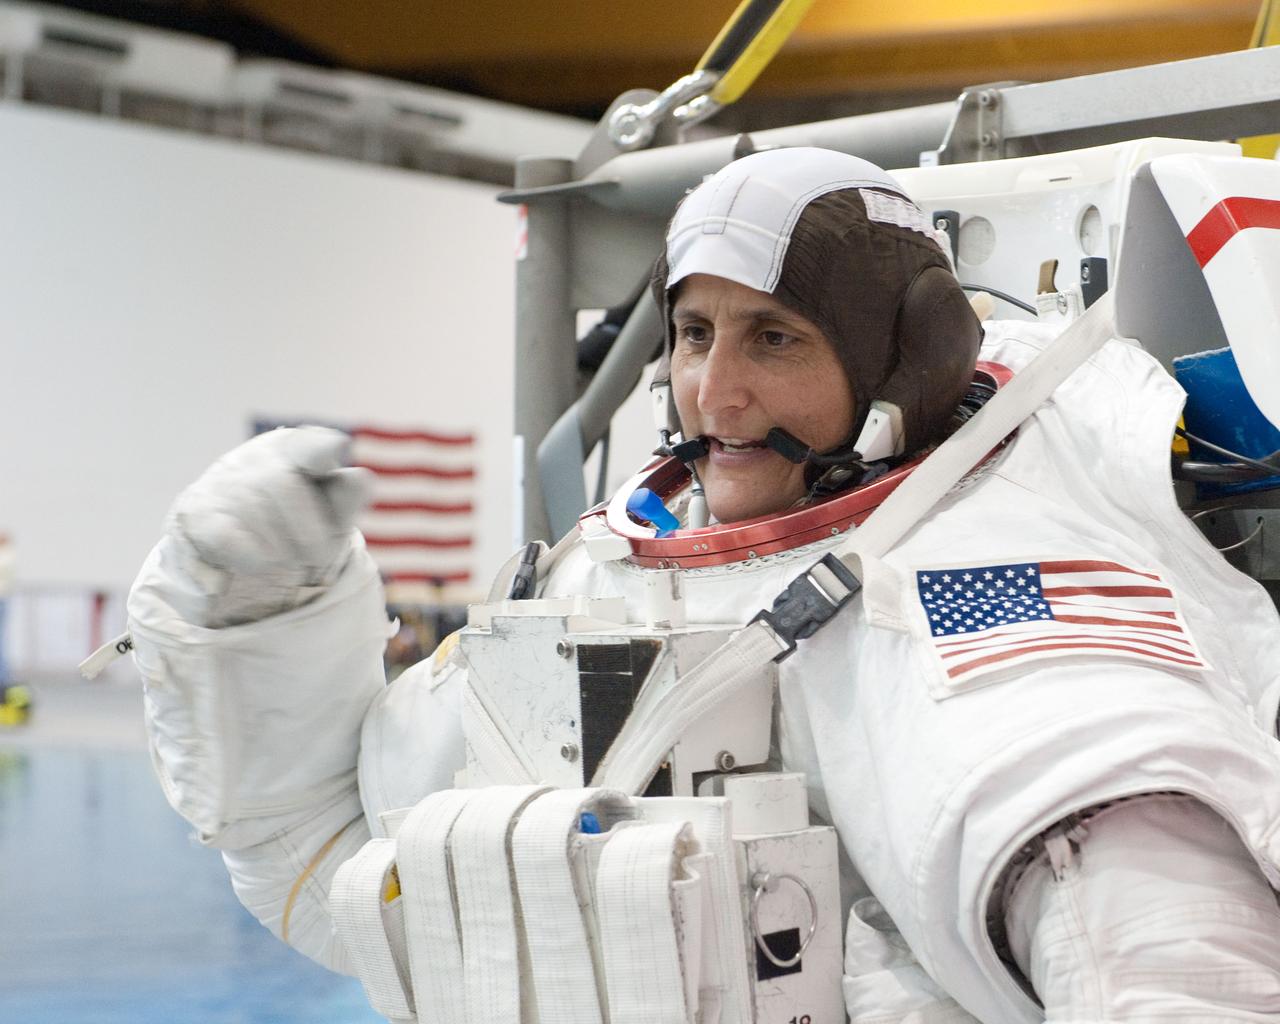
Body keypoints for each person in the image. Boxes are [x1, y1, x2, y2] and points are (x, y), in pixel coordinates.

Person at [128, 148, 1280, 1022]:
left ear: (907, 358)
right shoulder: (609, 566)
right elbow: (341, 875)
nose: (710, 395)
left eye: (773, 339)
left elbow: (1160, 952)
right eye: (691, 333)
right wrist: (251, 616)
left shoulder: (975, 585)